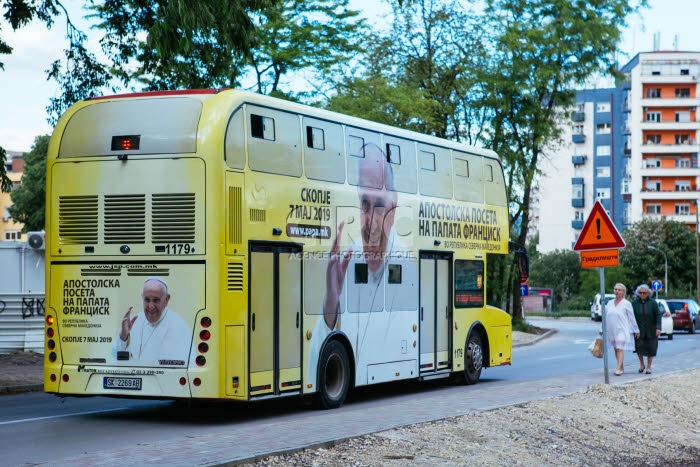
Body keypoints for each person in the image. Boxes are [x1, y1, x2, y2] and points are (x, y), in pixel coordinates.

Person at [309, 143, 416, 385]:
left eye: (379, 207)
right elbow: (312, 369)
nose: (370, 224)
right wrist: (330, 303)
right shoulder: (347, 259)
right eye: (364, 204)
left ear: (393, 206)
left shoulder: (406, 264)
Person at [111, 276, 195, 366]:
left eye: (156, 300)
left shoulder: (179, 326)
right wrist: (123, 337)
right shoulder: (134, 321)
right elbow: (113, 357)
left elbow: (190, 366)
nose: (151, 306)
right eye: (147, 300)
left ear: (166, 299)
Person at [601, 283, 639, 375]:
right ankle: (621, 366)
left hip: (622, 329)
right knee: (616, 349)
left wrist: (636, 330)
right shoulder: (609, 303)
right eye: (615, 289)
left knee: (619, 348)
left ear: (623, 292)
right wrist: (602, 329)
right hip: (611, 329)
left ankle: (618, 368)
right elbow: (605, 317)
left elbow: (632, 317)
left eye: (619, 290)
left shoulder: (626, 304)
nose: (617, 291)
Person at [632, 284, 661, 374]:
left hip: (651, 330)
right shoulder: (634, 303)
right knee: (639, 348)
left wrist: (658, 328)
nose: (642, 294)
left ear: (648, 293)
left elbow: (658, 315)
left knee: (651, 348)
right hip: (639, 330)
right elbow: (631, 317)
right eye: (640, 293)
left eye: (644, 293)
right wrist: (634, 329)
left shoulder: (653, 303)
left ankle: (649, 367)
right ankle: (642, 364)